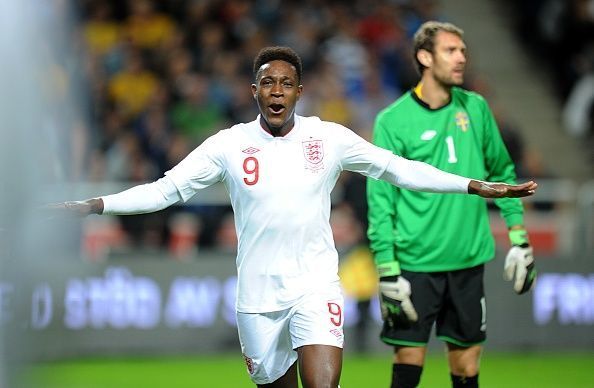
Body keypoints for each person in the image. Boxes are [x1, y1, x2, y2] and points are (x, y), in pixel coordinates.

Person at [54, 46, 537, 388]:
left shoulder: (328, 138)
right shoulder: (228, 145)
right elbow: (166, 191)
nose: (277, 90)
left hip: (316, 285)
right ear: (254, 91)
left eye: (286, 83)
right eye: (268, 82)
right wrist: (97, 205)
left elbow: (399, 169)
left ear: (299, 91)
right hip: (257, 296)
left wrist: (472, 184)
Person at [366, 22, 538, 388]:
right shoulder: (393, 120)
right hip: (414, 264)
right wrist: (386, 267)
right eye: (451, 50)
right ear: (424, 57)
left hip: (467, 261)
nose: (461, 58)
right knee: (408, 362)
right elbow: (381, 200)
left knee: (466, 365)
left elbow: (503, 172)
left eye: (463, 51)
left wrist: (519, 237)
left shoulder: (475, 108)